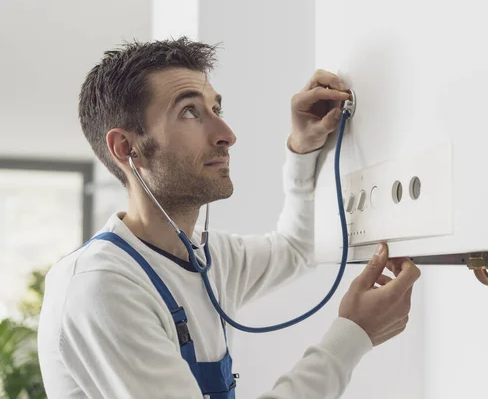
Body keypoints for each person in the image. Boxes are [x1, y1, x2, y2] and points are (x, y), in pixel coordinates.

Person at [37, 37, 421, 399]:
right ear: (126, 147)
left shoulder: (207, 257)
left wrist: (303, 150)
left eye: (216, 110)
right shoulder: (101, 287)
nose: (227, 134)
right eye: (189, 112)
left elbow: (296, 248)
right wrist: (351, 337)